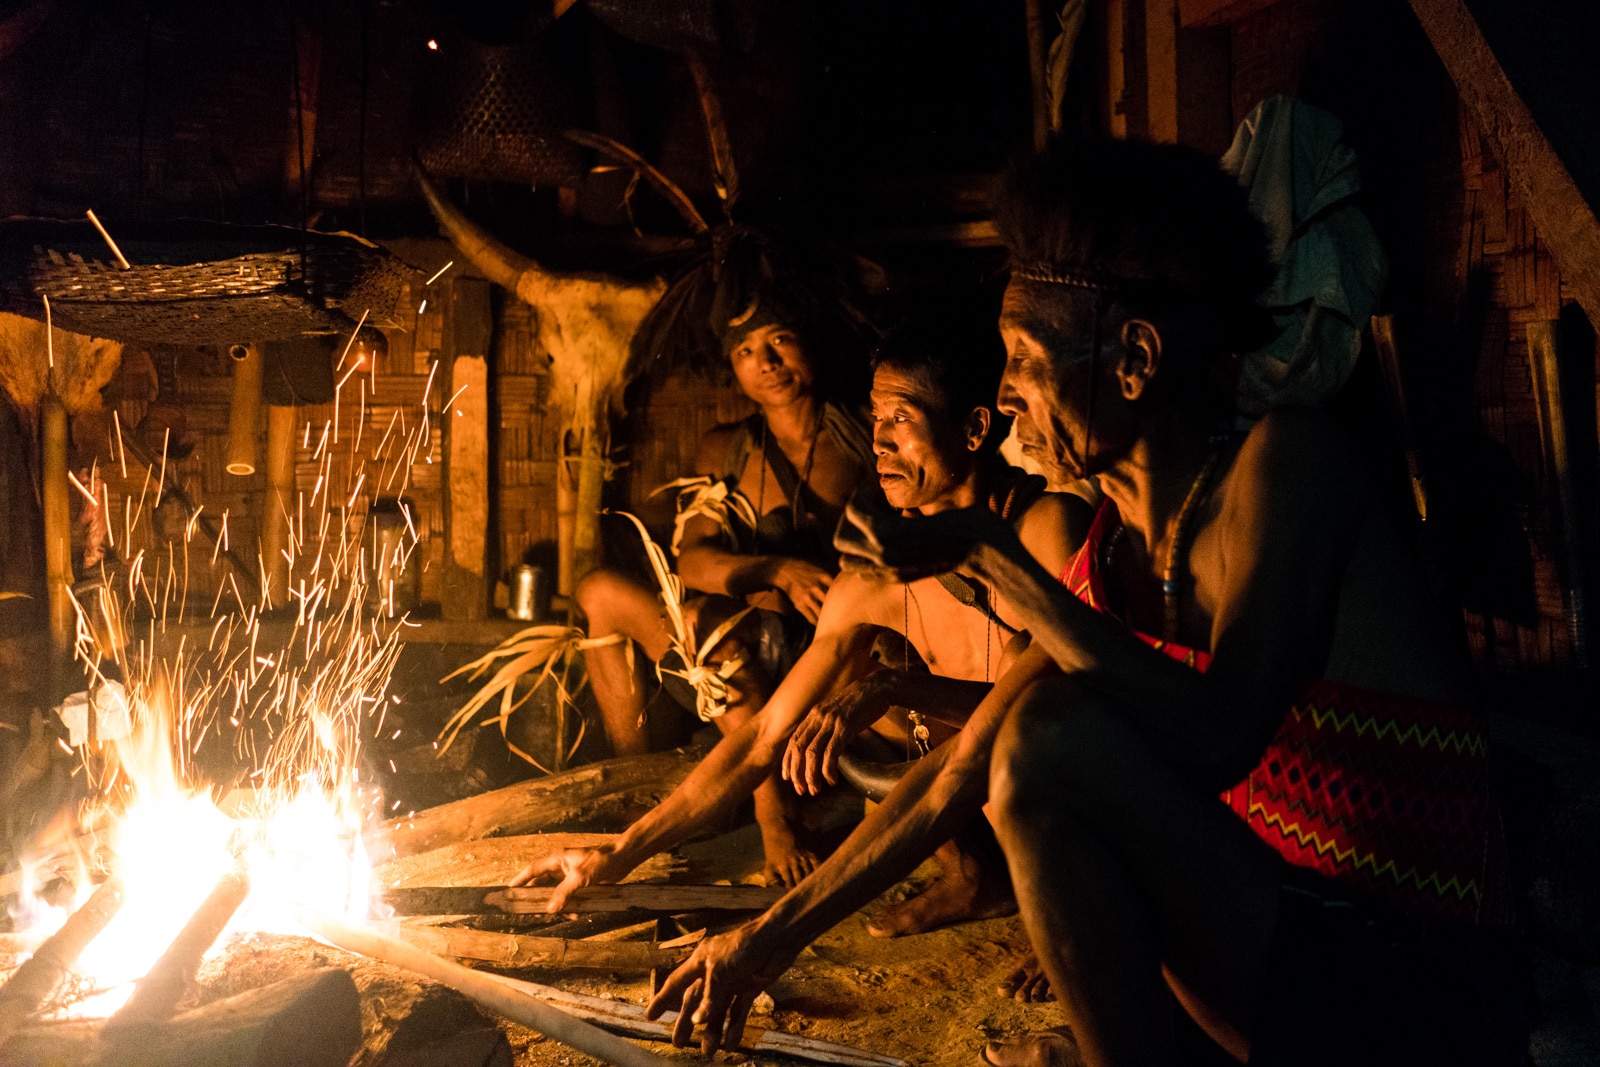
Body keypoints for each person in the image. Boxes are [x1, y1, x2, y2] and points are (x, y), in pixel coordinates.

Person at [644, 137, 1510, 1067]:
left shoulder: (1289, 466)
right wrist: (763, 940)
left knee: (1055, 734)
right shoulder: (1113, 551)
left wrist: (999, 565)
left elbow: (1222, 731)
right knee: (1030, 740)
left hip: (1412, 993)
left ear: (1134, 358)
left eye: (1023, 358)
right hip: (1283, 962)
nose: (1008, 395)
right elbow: (956, 773)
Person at [521, 307, 1091, 902]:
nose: (880, 441)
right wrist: (620, 852)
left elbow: (1048, 706)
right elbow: (763, 734)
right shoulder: (871, 582)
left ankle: (1073, 912)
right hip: (967, 786)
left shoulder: (1048, 528)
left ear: (974, 430)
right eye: (876, 418)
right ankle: (999, 889)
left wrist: (892, 689)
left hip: (1073, 796)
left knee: (1023, 717)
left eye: (902, 417)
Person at [575, 273, 876, 882]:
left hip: (826, 651)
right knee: (603, 592)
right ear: (732, 368)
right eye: (745, 352)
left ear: (809, 343)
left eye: (780, 341)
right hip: (728, 652)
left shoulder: (863, 436)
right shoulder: (728, 449)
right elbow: (693, 560)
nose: (765, 363)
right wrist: (774, 570)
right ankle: (635, 778)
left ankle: (775, 816)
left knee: (723, 629)